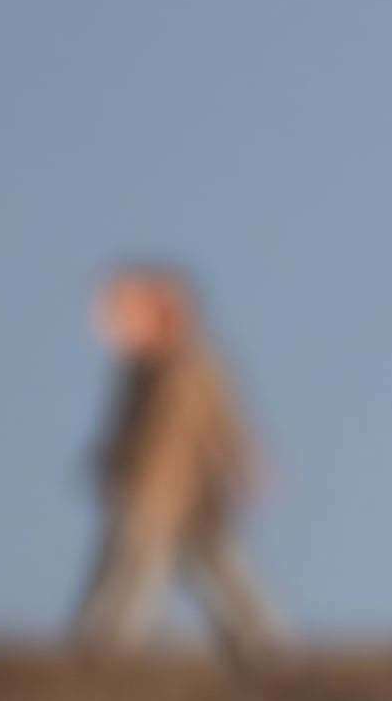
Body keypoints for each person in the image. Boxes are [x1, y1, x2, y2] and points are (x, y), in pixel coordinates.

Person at [71, 265, 280, 672]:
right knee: (132, 570)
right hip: (146, 491)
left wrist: (246, 466)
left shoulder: (194, 367)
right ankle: (102, 648)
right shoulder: (139, 374)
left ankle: (263, 647)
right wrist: (109, 464)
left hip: (188, 494)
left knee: (200, 570)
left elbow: (224, 423)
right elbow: (127, 431)